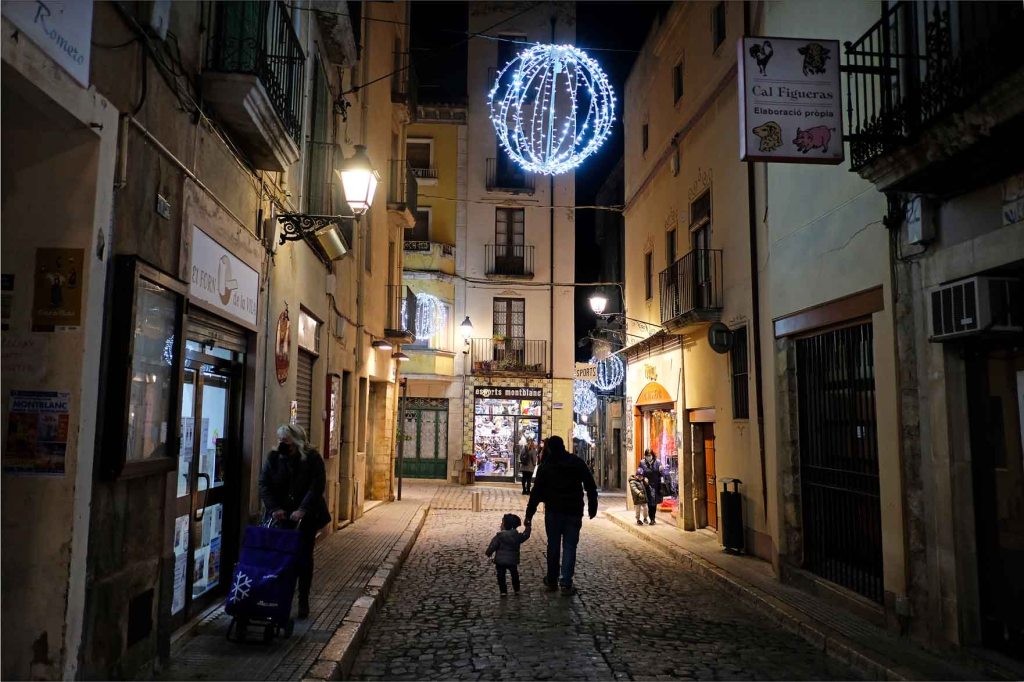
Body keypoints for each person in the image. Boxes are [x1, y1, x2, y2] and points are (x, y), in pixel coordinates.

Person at [258, 423, 330, 619]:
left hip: (305, 518)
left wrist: (302, 510)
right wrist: (274, 508)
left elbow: (316, 487)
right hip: (280, 516)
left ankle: (303, 599)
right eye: (280, 440)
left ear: (297, 442)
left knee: (304, 558)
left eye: (286, 442)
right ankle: (280, 596)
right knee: (279, 558)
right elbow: (264, 484)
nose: (282, 444)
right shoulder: (274, 458)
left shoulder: (312, 459)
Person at [525, 436, 598, 595]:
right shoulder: (576, 462)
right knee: (570, 546)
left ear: (549, 448)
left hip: (554, 511)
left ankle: (552, 581)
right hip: (573, 510)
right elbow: (590, 484)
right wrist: (593, 506)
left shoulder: (547, 466)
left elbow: (536, 492)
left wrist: (529, 514)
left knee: (553, 545)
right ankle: (565, 583)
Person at [484, 513, 532, 596]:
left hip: (500, 561)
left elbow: (493, 546)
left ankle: (503, 591)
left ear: (505, 525)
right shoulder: (516, 536)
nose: (501, 524)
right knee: (514, 574)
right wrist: (528, 527)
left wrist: (488, 553)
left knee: (501, 576)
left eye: (502, 523)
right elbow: (526, 535)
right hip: (512, 561)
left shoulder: (499, 536)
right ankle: (516, 589)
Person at [640, 449, 663, 525]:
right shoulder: (642, 463)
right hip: (647, 486)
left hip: (656, 486)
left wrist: (661, 471)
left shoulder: (658, 462)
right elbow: (639, 474)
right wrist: (643, 478)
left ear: (653, 455)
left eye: (649, 455)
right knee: (649, 503)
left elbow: (662, 475)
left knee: (654, 503)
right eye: (647, 456)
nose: (648, 457)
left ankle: (653, 519)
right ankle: (651, 518)